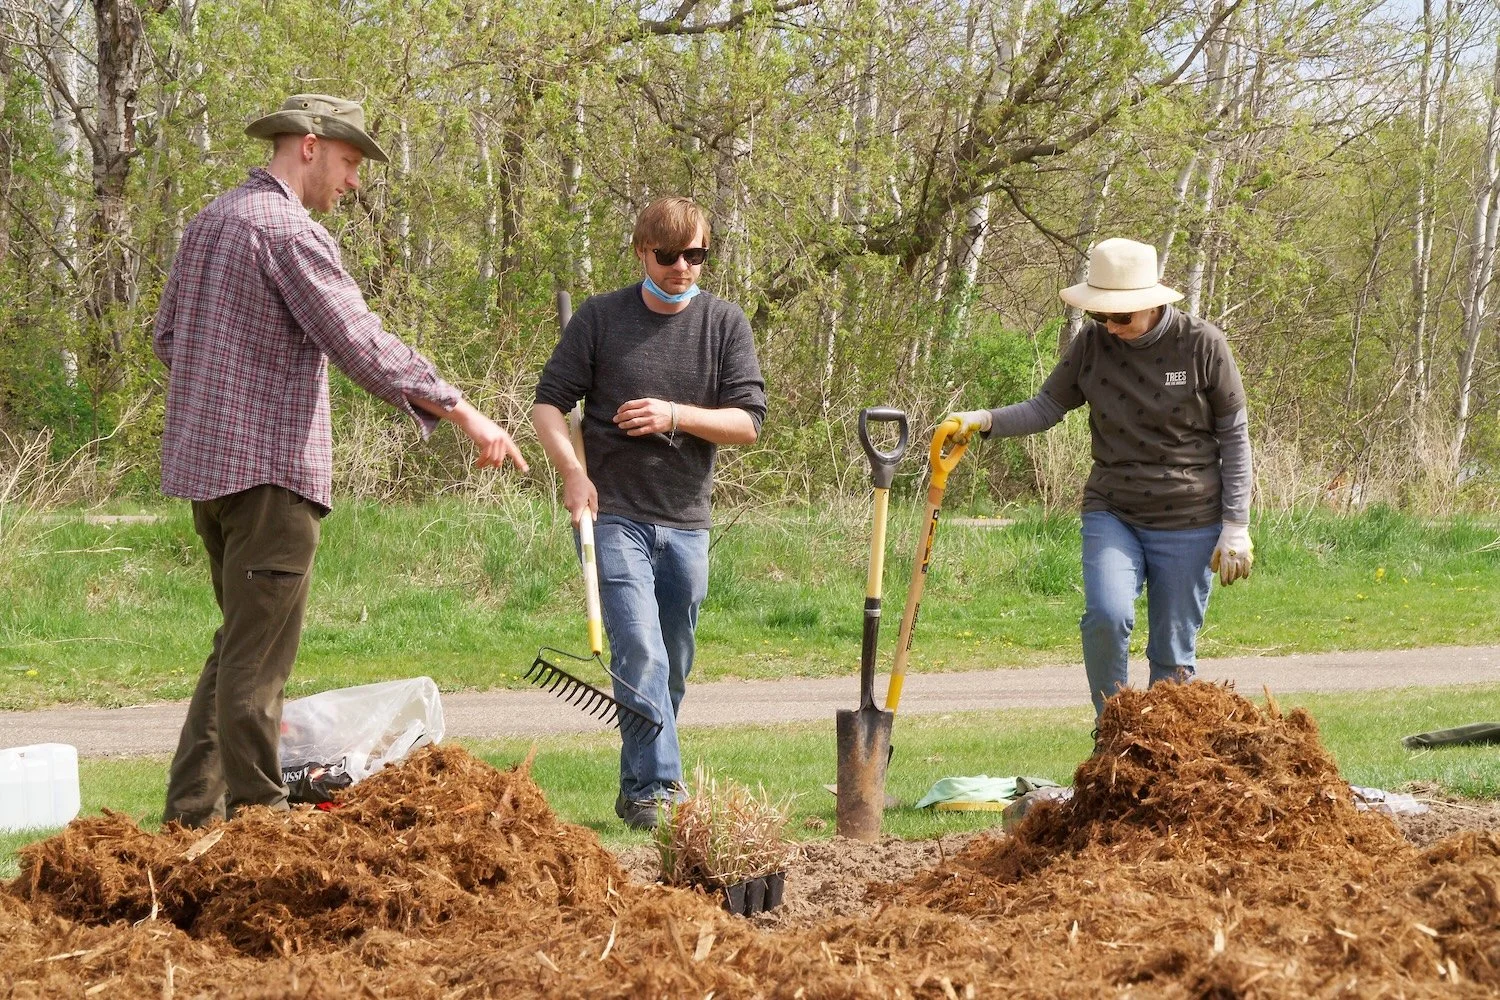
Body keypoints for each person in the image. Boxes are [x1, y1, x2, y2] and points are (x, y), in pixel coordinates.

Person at [153, 94, 527, 827]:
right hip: (271, 481)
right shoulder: (289, 232)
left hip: (207, 478)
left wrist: (226, 388)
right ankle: (260, 817)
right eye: (351, 162)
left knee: (236, 650)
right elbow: (361, 342)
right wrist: (465, 412)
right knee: (257, 665)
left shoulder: (209, 222)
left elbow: (167, 337)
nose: (354, 181)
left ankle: (190, 816)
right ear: (310, 146)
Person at [532, 197, 766, 830]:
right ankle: (663, 792)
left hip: (688, 519)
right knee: (641, 650)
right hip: (615, 515)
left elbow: (748, 422)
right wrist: (574, 475)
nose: (683, 267)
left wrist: (674, 415)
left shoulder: (725, 324)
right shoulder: (601, 318)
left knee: (673, 663)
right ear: (643, 253)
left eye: (696, 255)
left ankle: (638, 785)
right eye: (669, 256)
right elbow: (548, 406)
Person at [946, 237, 1253, 723]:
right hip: (1114, 509)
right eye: (1100, 316)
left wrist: (1236, 524)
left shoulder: (1202, 345)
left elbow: (1234, 434)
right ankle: (1112, 730)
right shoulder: (1092, 344)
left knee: (1172, 653)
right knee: (1107, 618)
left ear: (1151, 304)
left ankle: (1165, 754)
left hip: (1190, 517)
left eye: (1119, 317)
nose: (1109, 326)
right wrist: (984, 419)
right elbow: (1046, 406)